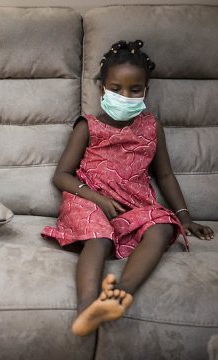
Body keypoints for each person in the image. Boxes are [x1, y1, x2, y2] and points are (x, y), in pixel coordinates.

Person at [41, 40, 214, 337]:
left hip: (133, 204)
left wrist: (184, 217)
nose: (125, 96)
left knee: (161, 228)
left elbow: (165, 175)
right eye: (116, 88)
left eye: (135, 90)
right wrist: (97, 199)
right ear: (101, 90)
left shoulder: (151, 127)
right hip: (89, 199)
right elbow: (62, 175)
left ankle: (119, 295)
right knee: (99, 239)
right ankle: (86, 308)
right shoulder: (89, 126)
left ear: (146, 91)